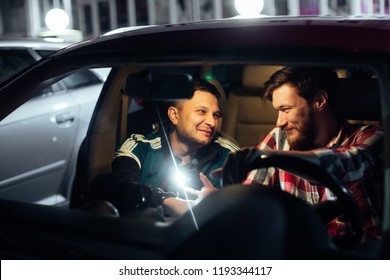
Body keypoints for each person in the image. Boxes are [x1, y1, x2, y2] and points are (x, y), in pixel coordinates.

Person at [222, 66, 384, 239]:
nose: (279, 122)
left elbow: (344, 165)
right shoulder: (279, 138)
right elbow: (253, 191)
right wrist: (227, 200)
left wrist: (268, 158)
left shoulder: (372, 136)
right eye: (278, 111)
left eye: (286, 110)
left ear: (320, 101)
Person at [111, 78, 239, 216]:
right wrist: (167, 201)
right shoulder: (140, 147)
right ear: (174, 115)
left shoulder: (231, 156)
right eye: (201, 111)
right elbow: (122, 189)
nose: (212, 122)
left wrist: (222, 201)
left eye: (216, 115)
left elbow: (251, 210)